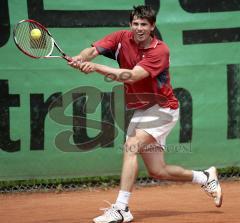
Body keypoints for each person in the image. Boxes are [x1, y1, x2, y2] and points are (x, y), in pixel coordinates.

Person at [68, 5, 223, 223]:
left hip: (163, 108)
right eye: (135, 23)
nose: (139, 28)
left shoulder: (160, 51)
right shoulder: (121, 38)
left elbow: (131, 76)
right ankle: (205, 177)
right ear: (130, 24)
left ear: (152, 27)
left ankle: (122, 208)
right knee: (158, 171)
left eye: (144, 24)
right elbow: (92, 51)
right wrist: (80, 58)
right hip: (143, 109)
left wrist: (95, 68)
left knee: (131, 146)